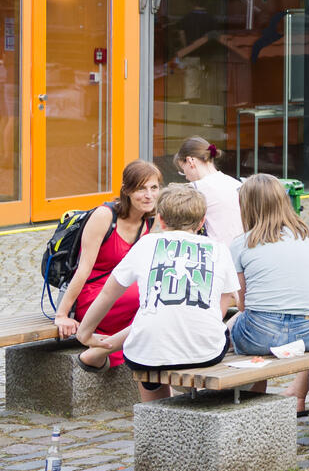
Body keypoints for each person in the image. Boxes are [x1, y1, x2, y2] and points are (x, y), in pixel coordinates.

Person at [75, 184, 239, 402]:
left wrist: (84, 333)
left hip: (147, 353)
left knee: (148, 339)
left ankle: (153, 414)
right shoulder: (218, 249)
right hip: (206, 352)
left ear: (160, 220)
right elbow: (224, 303)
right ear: (201, 222)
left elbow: (107, 294)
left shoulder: (146, 244)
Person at [228, 173, 309, 413]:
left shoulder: (242, 243)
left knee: (231, 324)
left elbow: (242, 304)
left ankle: (247, 404)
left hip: (260, 335)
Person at [54, 160, 160, 366]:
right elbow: (83, 269)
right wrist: (62, 314)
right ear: (126, 190)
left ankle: (105, 352)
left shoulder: (149, 219)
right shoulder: (104, 216)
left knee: (157, 297)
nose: (149, 195)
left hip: (121, 290)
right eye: (141, 188)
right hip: (93, 294)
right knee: (152, 301)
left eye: (154, 187)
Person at [173, 136, 243, 246]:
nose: (186, 176)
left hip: (214, 254)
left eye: (183, 170)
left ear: (190, 161)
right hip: (240, 252)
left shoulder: (194, 189)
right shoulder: (237, 184)